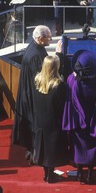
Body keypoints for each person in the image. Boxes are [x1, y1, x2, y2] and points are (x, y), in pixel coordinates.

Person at [62, 49, 96, 184]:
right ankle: (90, 174)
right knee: (92, 147)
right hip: (94, 122)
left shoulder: (71, 80)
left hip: (77, 122)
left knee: (78, 147)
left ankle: (80, 174)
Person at [12, 25, 51, 163]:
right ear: (40, 39)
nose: (50, 39)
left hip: (28, 93)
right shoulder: (36, 55)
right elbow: (41, 77)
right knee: (34, 125)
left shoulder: (35, 48)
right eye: (48, 37)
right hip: (33, 96)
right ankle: (35, 153)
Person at [33, 55, 69, 183]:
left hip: (40, 120)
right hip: (54, 120)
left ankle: (46, 174)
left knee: (43, 147)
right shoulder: (59, 85)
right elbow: (62, 105)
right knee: (52, 149)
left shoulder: (37, 80)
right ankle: (50, 174)